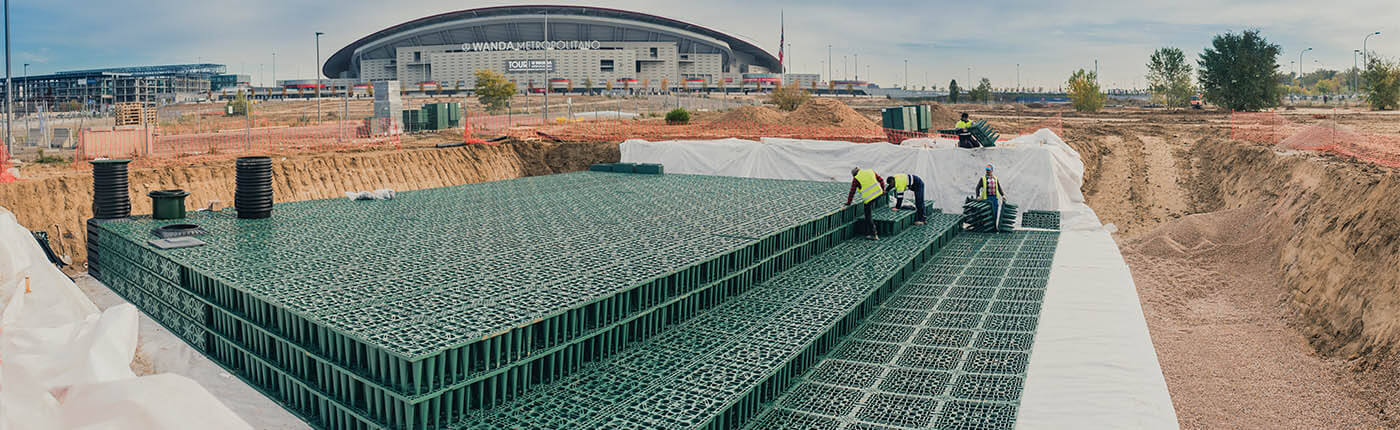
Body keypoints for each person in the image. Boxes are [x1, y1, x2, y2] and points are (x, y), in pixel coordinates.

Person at [845, 167, 886, 240]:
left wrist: (848, 202)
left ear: (854, 175)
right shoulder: (870, 171)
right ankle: (873, 232)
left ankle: (874, 234)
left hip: (869, 198)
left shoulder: (856, 178)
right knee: (870, 211)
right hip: (879, 193)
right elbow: (881, 180)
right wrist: (883, 190)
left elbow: (852, 191)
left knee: (868, 216)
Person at [975, 164, 1006, 229]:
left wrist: (1003, 195)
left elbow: (999, 188)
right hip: (987, 199)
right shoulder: (983, 179)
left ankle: (994, 227)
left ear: (992, 170)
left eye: (989, 170)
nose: (987, 171)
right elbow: (977, 188)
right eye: (987, 170)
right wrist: (978, 196)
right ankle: (987, 228)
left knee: (995, 213)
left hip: (994, 198)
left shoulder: (995, 179)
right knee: (987, 214)